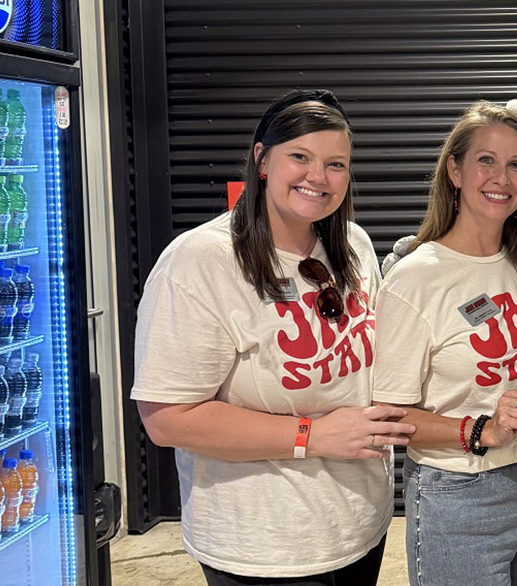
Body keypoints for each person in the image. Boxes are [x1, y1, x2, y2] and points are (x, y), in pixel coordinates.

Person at [131, 89, 415, 586]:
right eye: (299, 157)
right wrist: (314, 435)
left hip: (358, 525)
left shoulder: (352, 244)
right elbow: (168, 419)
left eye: (336, 164)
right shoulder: (201, 261)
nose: (318, 178)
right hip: (263, 547)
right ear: (262, 160)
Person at [372, 101, 517, 586]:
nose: (501, 177)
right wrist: (481, 429)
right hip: (462, 497)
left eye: (516, 165)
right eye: (486, 159)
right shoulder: (415, 280)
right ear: (454, 171)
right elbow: (387, 417)